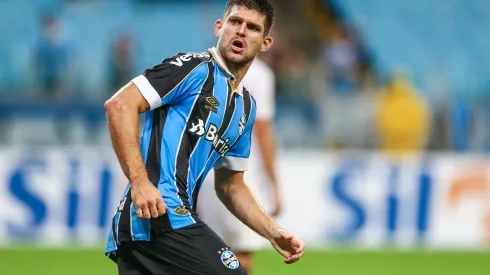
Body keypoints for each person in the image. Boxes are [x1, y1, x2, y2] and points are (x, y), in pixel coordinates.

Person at [103, 1, 305, 274]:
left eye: (253, 27)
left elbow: (231, 186)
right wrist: (139, 182)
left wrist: (271, 231)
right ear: (219, 27)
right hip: (161, 215)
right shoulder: (191, 68)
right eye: (235, 22)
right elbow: (119, 105)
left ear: (265, 43)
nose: (242, 31)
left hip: (157, 226)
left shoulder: (245, 107)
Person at [197, 54, 280, 274]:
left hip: (205, 170)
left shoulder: (206, 67)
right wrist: (274, 185)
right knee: (241, 256)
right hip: (239, 172)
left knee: (211, 252)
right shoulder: (260, 74)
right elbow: (262, 132)